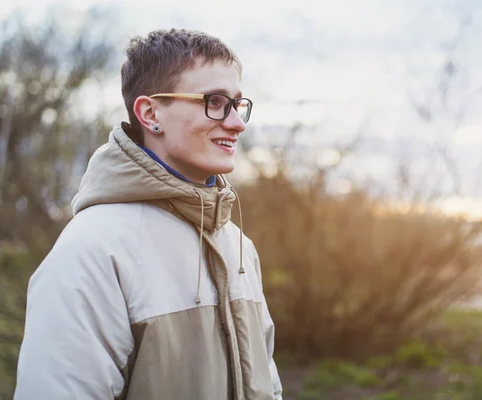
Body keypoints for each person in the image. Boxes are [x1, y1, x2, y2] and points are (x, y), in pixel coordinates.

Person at [14, 28, 283, 400]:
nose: (237, 123)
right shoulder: (91, 252)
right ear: (150, 113)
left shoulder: (238, 245)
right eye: (215, 102)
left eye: (238, 104)